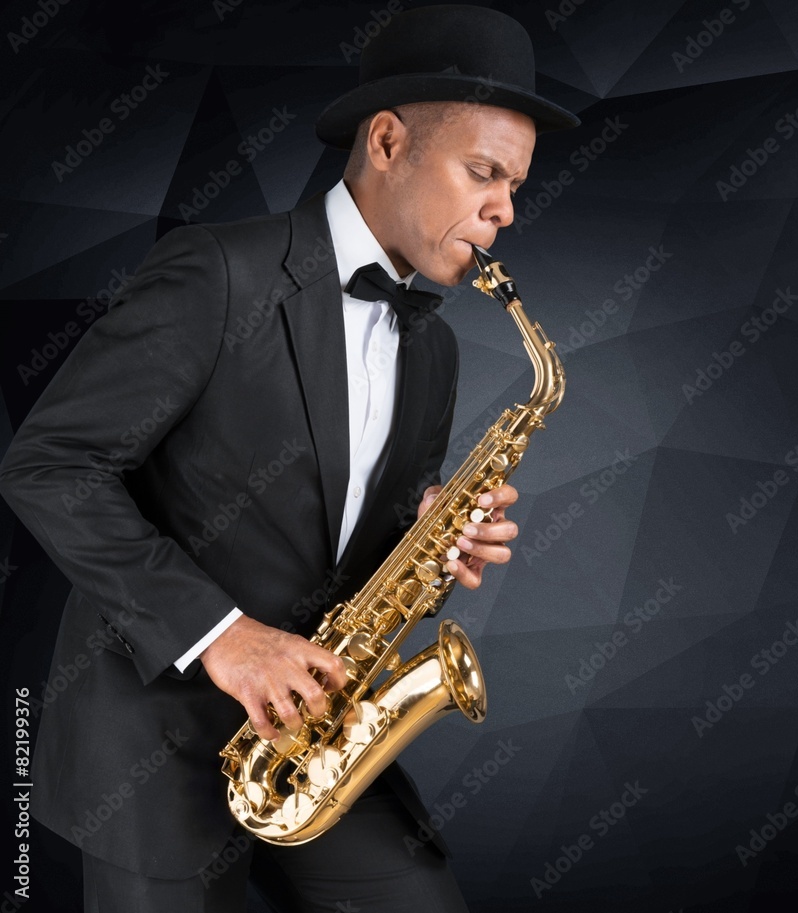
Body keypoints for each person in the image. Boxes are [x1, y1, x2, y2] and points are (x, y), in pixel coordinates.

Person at [0, 5, 578, 912]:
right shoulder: (217, 273)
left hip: (319, 737)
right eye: (485, 173)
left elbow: (352, 536)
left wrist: (426, 533)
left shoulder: (436, 347)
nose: (505, 209)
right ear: (386, 141)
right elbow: (50, 464)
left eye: (515, 185)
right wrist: (224, 637)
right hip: (154, 742)